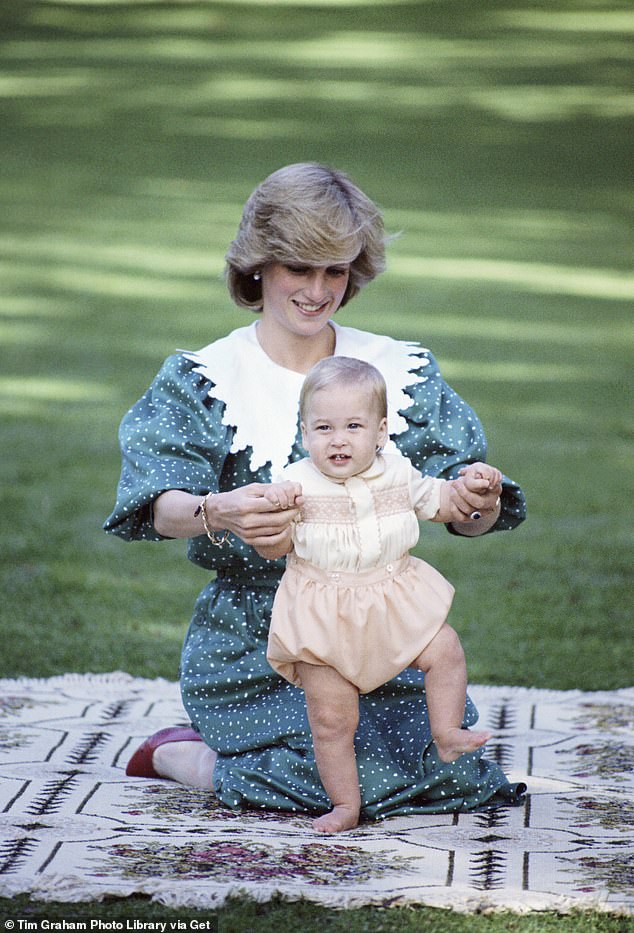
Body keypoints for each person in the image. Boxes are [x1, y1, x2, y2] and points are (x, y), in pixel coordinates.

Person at [105, 162, 527, 824]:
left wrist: (480, 501)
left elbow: (460, 510)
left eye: (335, 270)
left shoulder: (394, 373)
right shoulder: (204, 378)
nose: (317, 289)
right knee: (327, 773)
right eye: (299, 267)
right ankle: (182, 755)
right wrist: (219, 511)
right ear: (257, 266)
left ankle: (288, 760)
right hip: (259, 639)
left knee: (456, 771)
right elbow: (156, 504)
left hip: (377, 629)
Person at [260, 356, 503, 833]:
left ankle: (446, 732)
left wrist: (474, 487)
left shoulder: (399, 473)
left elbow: (445, 503)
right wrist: (269, 522)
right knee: (332, 721)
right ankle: (345, 805)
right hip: (322, 615)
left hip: (393, 599)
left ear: (380, 431)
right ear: (304, 432)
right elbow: (274, 545)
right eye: (323, 427)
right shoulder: (295, 485)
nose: (338, 439)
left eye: (354, 425)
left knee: (445, 649)